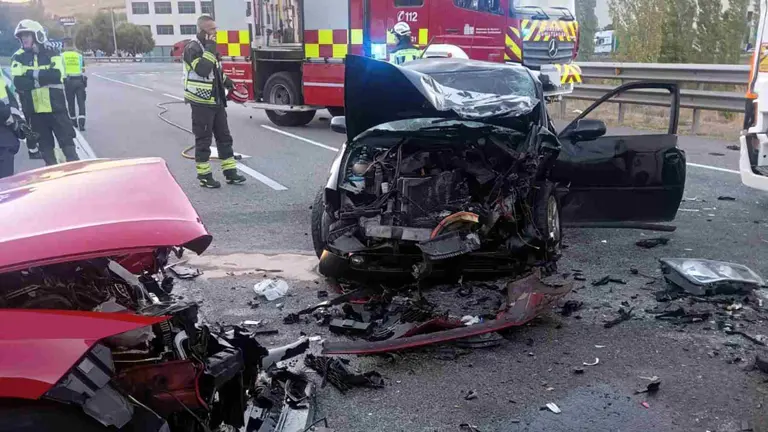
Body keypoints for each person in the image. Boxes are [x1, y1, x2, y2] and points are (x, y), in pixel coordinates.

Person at [182, 14, 246, 188]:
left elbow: (217, 71)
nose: (215, 32)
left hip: (216, 101)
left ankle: (230, 173)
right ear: (202, 31)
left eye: (215, 28)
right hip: (201, 102)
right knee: (203, 140)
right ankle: (204, 176)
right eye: (211, 29)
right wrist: (210, 48)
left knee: (224, 138)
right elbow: (202, 69)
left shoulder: (210, 47)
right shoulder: (192, 48)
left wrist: (231, 85)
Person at [10, 19, 79, 166]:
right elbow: (18, 82)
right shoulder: (18, 56)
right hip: (35, 113)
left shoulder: (52, 52)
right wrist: (43, 76)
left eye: (27, 35)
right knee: (47, 155)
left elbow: (57, 75)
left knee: (70, 151)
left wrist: (30, 76)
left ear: (37, 36)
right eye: (21, 37)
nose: (24, 39)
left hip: (57, 109)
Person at [0, 72, 29, 178]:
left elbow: (10, 101)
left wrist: (17, 122)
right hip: (4, 140)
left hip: (5, 139)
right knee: (5, 186)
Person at [62, 40, 87, 131]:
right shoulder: (79, 56)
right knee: (81, 102)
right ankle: (82, 124)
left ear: (65, 46)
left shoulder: (62, 56)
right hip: (79, 81)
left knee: (70, 102)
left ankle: (73, 121)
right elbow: (83, 69)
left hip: (68, 81)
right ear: (73, 45)